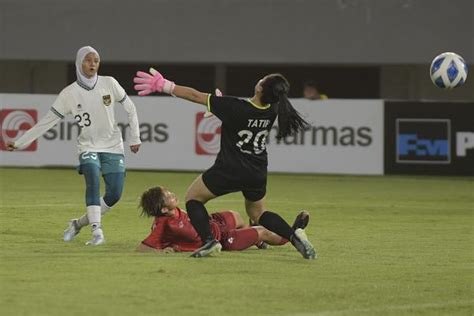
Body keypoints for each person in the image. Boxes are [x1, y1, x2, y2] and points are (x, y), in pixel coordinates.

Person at [133, 69, 316, 259]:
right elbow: (246, 112)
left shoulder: (234, 107)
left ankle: (209, 241)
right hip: (257, 170)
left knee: (193, 198)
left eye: (262, 79)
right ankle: (294, 237)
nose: (259, 79)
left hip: (230, 168)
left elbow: (195, 95)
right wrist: (220, 110)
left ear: (260, 87)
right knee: (259, 213)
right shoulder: (273, 108)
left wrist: (165, 85)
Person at [6, 46, 141, 246]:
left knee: (114, 194)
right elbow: (47, 121)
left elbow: (130, 107)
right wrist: (19, 142)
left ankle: (78, 224)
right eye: (88, 60)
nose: (93, 64)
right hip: (87, 147)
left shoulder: (109, 83)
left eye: (96, 60)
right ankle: (97, 232)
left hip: (113, 146)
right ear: (79, 63)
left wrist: (135, 137)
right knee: (93, 177)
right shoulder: (69, 93)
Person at [136, 186, 310, 253]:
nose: (172, 193)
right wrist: (164, 251)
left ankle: (255, 241)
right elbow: (142, 249)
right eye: (168, 196)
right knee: (262, 232)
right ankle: (289, 236)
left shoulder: (173, 212)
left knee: (236, 215)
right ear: (164, 209)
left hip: (213, 223)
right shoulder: (163, 224)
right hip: (222, 239)